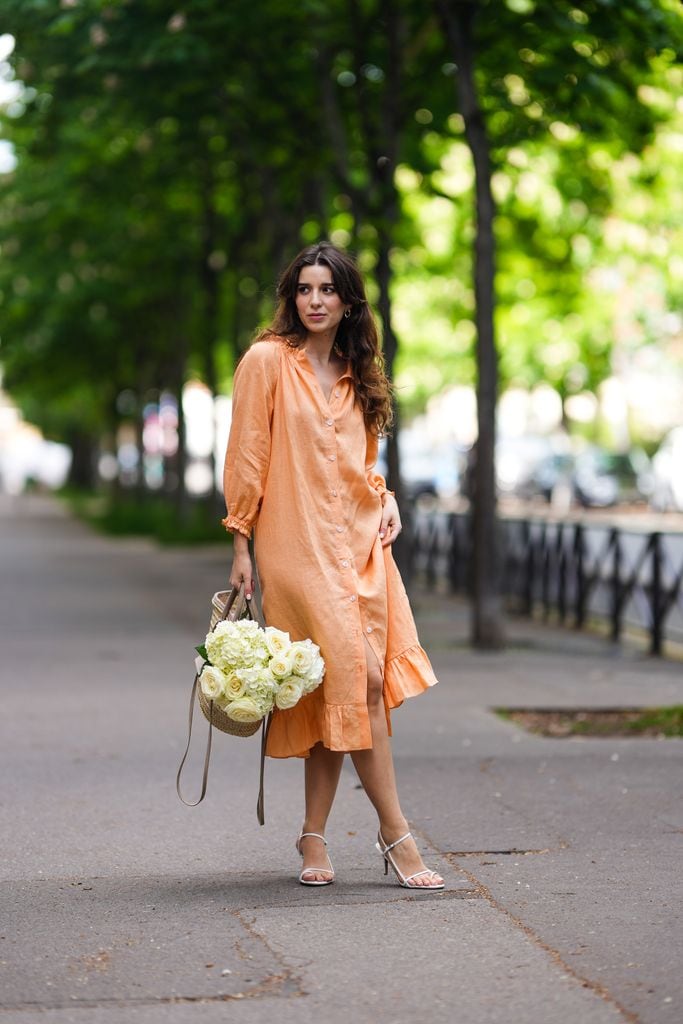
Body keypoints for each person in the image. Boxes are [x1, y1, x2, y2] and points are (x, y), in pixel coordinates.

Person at [222, 241, 443, 890]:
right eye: (304, 289)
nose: (315, 301)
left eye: (327, 290)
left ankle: (313, 836)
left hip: (361, 548)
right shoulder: (267, 361)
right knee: (358, 680)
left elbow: (361, 463)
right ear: (291, 297)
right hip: (295, 549)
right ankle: (397, 834)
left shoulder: (357, 372)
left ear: (348, 301)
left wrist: (387, 496)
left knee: (335, 686)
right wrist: (240, 540)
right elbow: (246, 454)